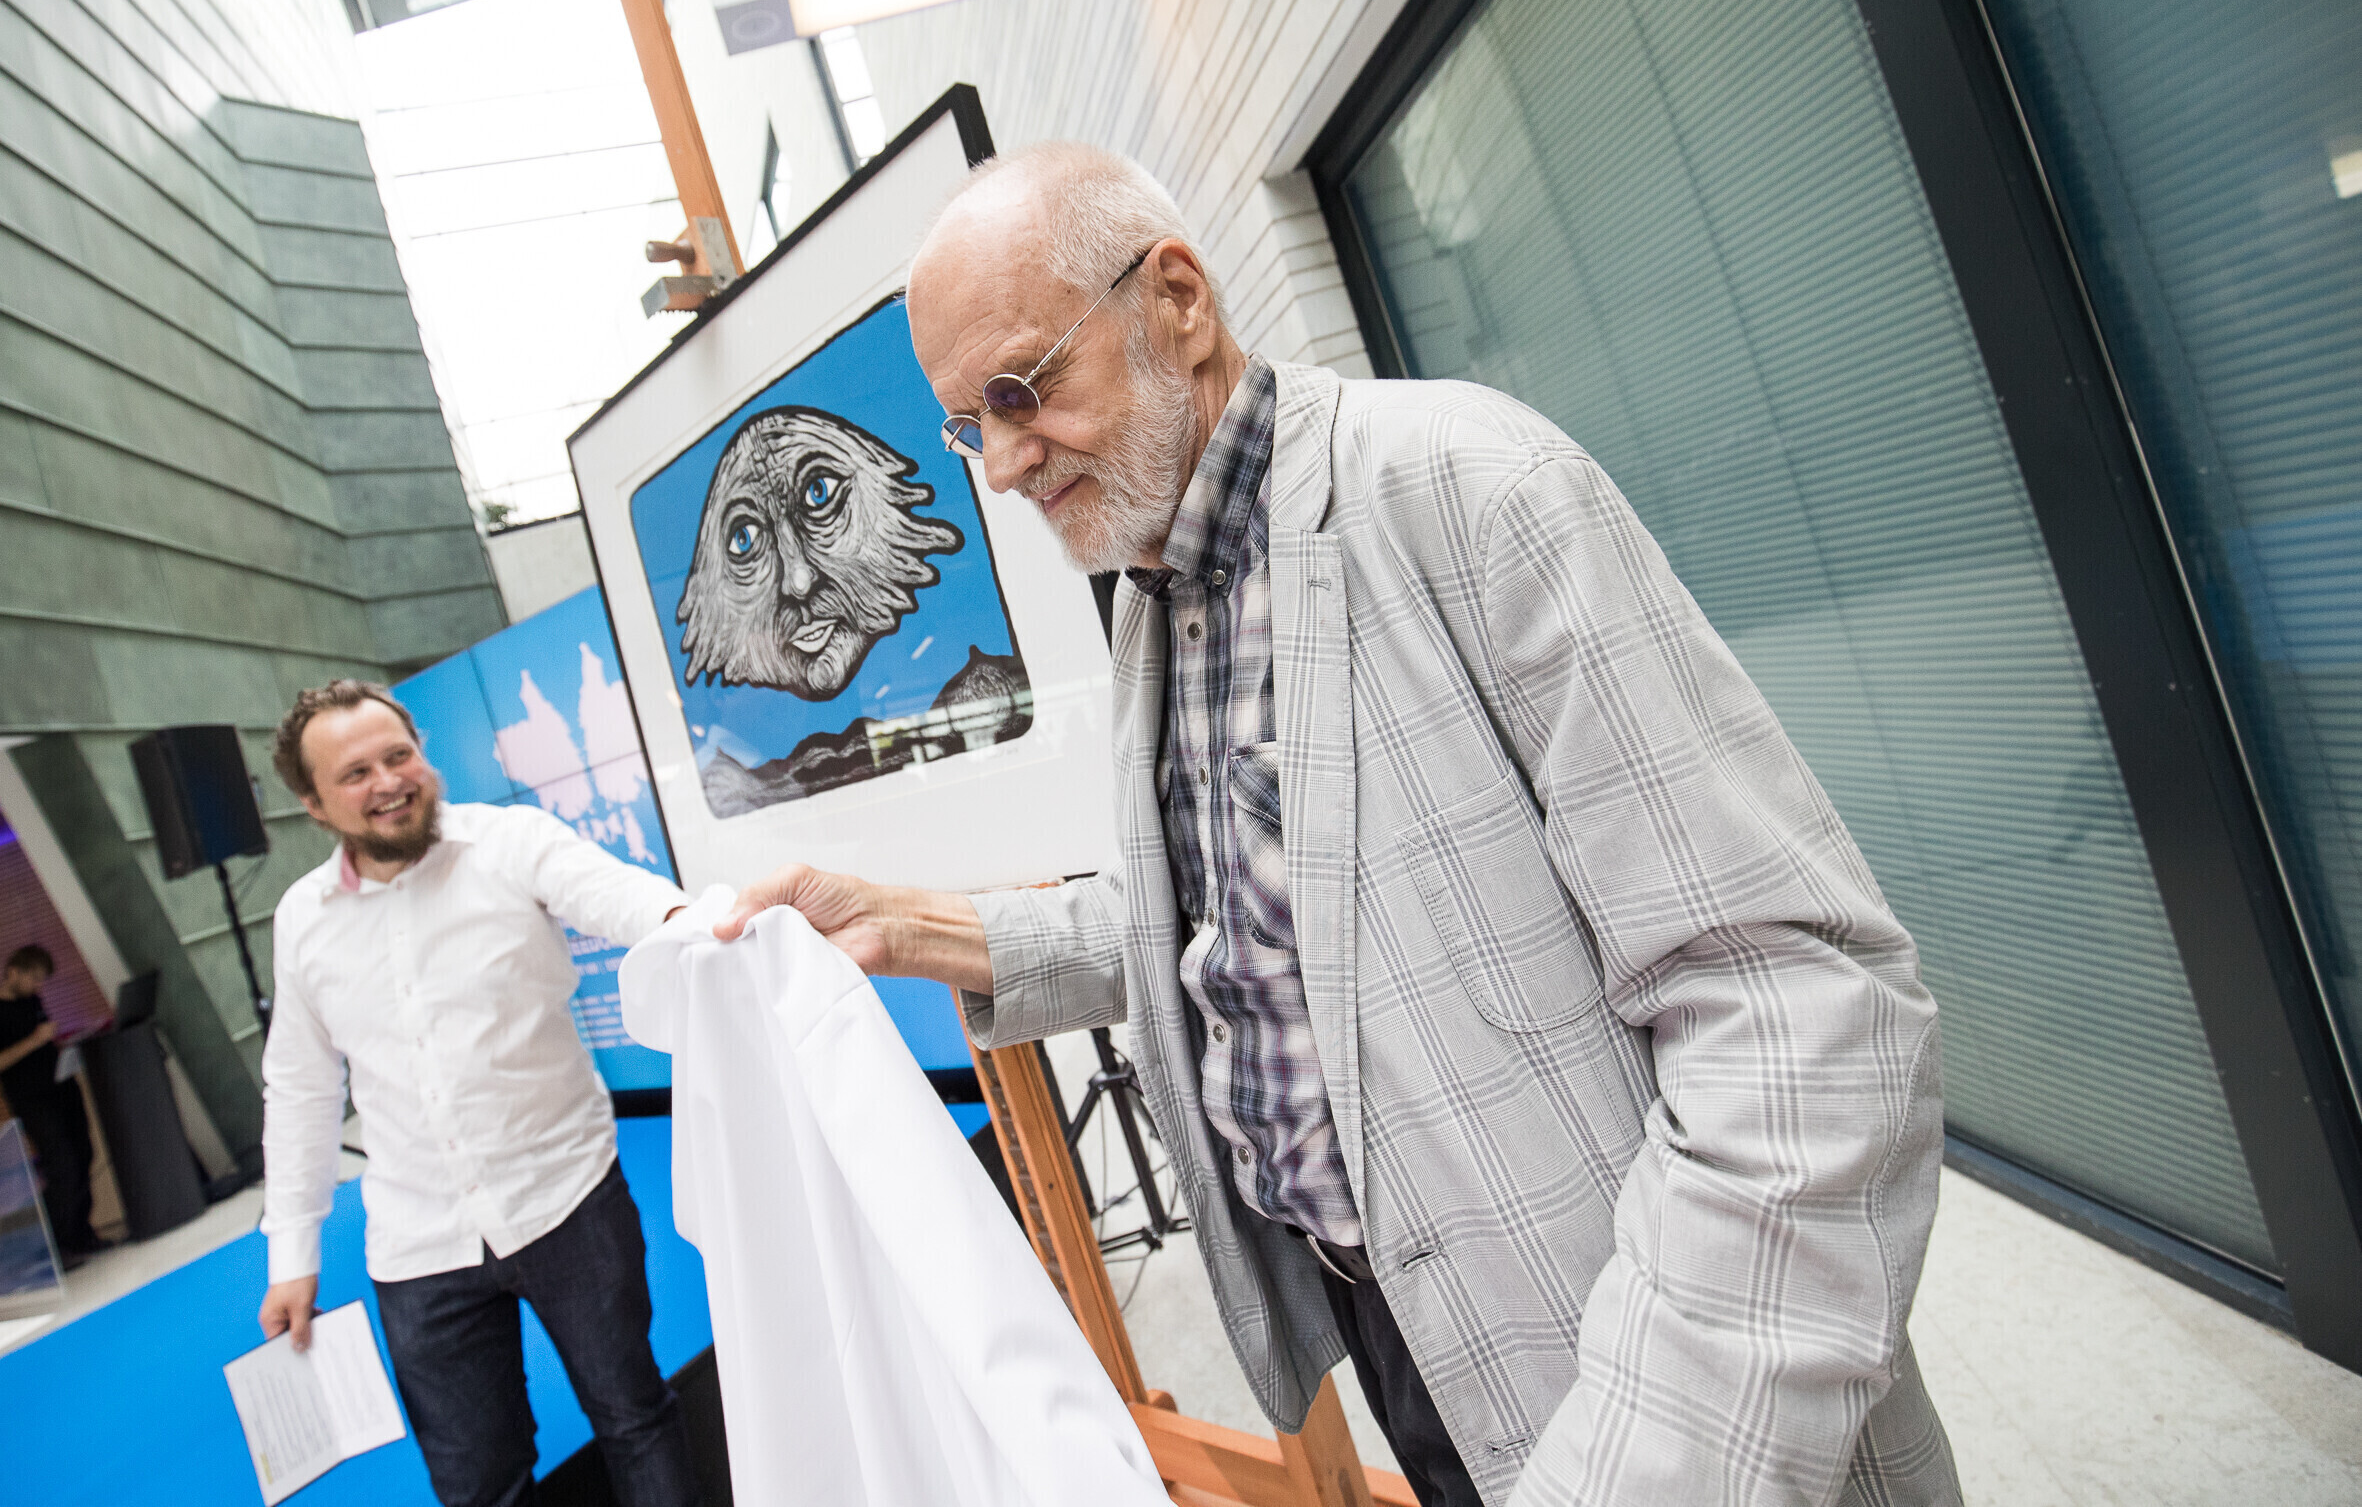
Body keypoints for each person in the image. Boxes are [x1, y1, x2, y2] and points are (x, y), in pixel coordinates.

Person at [726, 144, 1960, 1506]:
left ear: (1177, 300)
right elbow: (1240, 911)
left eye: (1021, 389)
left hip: (1642, 1371)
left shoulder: (1464, 483)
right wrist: (907, 926)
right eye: (970, 424)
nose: (1005, 464)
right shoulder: (1157, 594)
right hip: (1405, 1334)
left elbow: (1799, 1012)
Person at [257, 679, 701, 1507]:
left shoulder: (511, 842)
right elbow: (300, 1088)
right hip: (417, 1242)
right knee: (478, 1485)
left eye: (398, 755)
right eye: (355, 773)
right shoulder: (302, 918)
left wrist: (693, 922)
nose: (389, 781)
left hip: (567, 1198)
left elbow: (617, 894)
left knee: (635, 1416)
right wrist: (292, 1256)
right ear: (313, 803)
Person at [0, 943, 107, 1264]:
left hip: (62, 1088)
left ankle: (79, 1235)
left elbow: (43, 1045)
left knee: (83, 1156)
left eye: (42, 980)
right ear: (13, 972)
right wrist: (33, 1041)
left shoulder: (33, 1002)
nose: (38, 986)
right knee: (62, 1166)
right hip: (32, 1101)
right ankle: (49, 1247)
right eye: (33, 978)